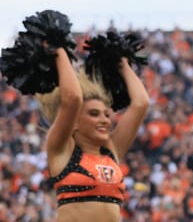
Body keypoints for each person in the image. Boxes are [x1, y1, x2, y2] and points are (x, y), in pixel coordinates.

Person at [37, 45, 150, 221]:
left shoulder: (111, 150)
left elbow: (141, 103)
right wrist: (58, 50)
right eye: (94, 114)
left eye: (106, 114)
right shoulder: (62, 151)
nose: (105, 120)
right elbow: (72, 98)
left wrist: (122, 63)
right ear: (74, 122)